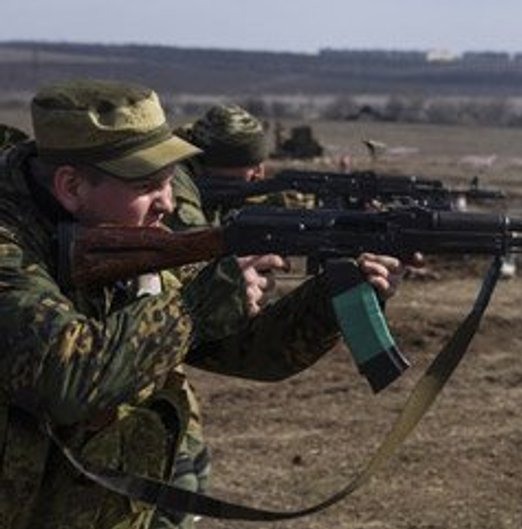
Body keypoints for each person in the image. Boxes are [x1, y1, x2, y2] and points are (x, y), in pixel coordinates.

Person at [0, 78, 405, 529]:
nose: (167, 203)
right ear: (72, 186)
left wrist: (329, 299)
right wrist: (195, 306)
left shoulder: (122, 242)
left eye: (172, 181)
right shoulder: (8, 250)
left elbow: (247, 349)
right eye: (148, 185)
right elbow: (69, 376)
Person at [170, 104, 313, 230]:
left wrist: (282, 203)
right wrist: (247, 261)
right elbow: (191, 249)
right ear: (223, 162)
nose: (260, 173)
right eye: (252, 165)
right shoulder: (172, 181)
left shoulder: (208, 173)